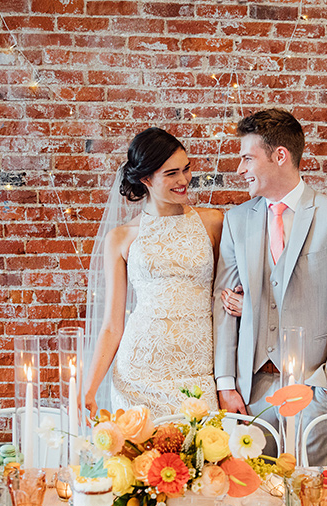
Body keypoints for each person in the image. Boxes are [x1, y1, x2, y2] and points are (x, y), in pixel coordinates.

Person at [213, 108, 327, 465]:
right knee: (249, 498)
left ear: (280, 156)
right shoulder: (236, 221)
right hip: (248, 392)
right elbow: (222, 307)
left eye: (247, 158)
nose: (240, 170)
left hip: (312, 390)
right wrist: (226, 383)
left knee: (305, 500)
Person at [84, 127, 223, 418]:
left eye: (186, 169)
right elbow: (112, 324)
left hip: (197, 371)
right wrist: (90, 387)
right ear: (146, 178)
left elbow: (225, 294)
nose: (184, 180)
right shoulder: (121, 238)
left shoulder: (212, 223)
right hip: (138, 373)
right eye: (171, 173)